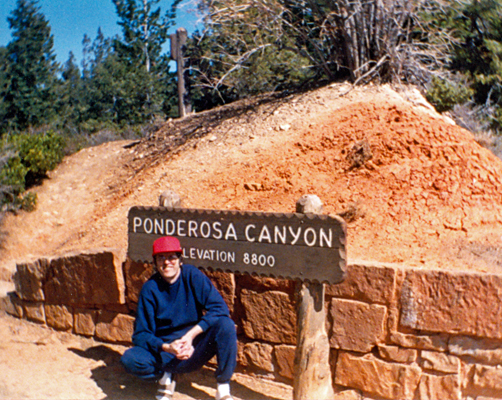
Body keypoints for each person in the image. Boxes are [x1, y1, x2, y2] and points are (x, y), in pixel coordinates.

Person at [121, 236, 237, 400]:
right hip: (166, 354)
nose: (166, 262)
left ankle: (223, 388)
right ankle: (165, 378)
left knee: (226, 325)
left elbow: (219, 308)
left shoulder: (192, 276)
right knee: (130, 359)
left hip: (194, 349)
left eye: (171, 257)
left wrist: (190, 336)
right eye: (161, 257)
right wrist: (167, 347)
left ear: (179, 260)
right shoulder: (150, 289)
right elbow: (141, 335)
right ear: (155, 262)